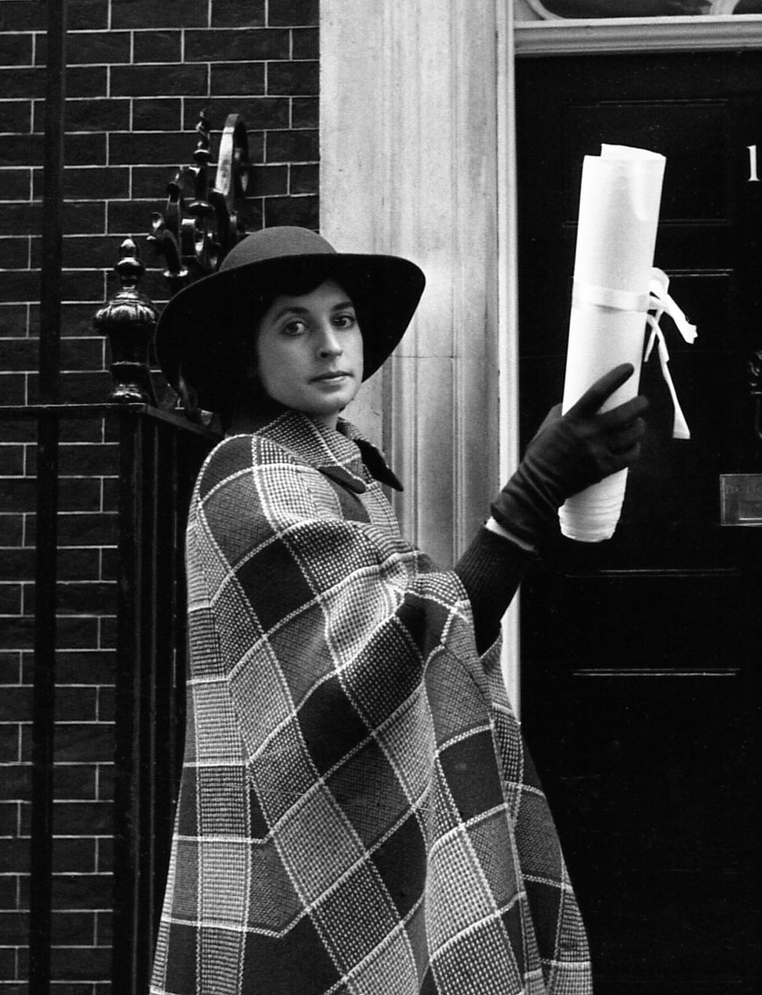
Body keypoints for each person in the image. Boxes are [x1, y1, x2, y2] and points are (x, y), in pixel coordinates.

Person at [148, 226, 648, 995]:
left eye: (342, 318)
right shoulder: (250, 476)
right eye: (294, 324)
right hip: (281, 866)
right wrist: (531, 494)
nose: (328, 343)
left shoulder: (328, 465)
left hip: (310, 849)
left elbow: (413, 636)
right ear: (246, 352)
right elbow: (401, 641)